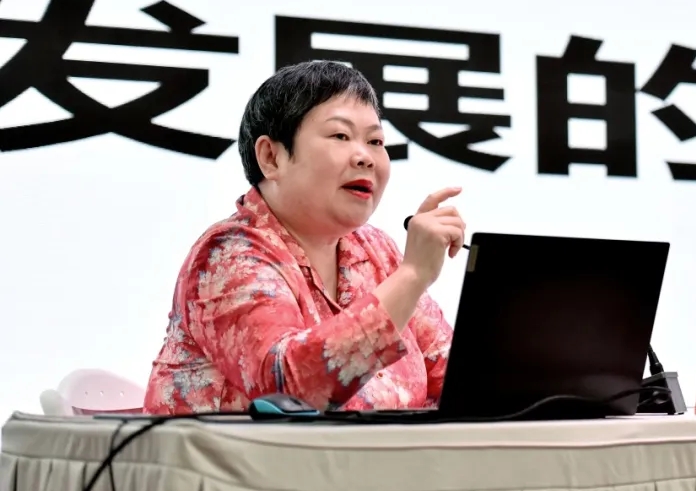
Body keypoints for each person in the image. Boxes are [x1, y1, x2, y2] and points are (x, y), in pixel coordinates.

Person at [143, 61, 464, 414]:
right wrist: (413, 275)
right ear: (271, 157)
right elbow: (290, 393)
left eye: (375, 141)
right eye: (340, 136)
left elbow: (458, 377)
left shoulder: (375, 250)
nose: (365, 157)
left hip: (371, 451)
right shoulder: (227, 255)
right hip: (238, 452)